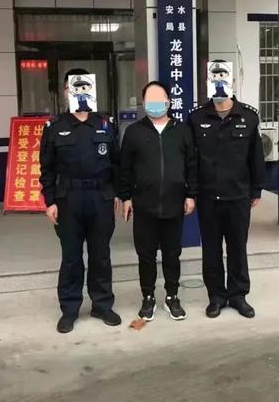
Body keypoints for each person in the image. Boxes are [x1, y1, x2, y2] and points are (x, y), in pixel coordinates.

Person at [39, 68, 121, 333]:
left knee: (101, 255)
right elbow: (47, 169)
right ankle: (69, 309)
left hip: (100, 198)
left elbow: (117, 164)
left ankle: (102, 305)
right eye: (74, 87)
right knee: (72, 257)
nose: (80, 91)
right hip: (68, 200)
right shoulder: (55, 127)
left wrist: (117, 194)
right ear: (66, 91)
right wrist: (50, 201)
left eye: (86, 86)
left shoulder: (105, 124)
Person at [188, 63, 265, 319]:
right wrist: (192, 192)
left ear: (232, 83)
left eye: (223, 77)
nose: (219, 82)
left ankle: (238, 295)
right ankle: (216, 296)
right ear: (207, 82)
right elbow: (192, 160)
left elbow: (256, 156)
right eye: (214, 78)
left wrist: (256, 189)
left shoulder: (249, 117)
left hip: (238, 196)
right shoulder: (197, 118)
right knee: (211, 249)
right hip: (208, 197)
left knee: (237, 248)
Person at [119, 81, 198, 321]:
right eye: (150, 100)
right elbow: (124, 168)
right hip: (144, 205)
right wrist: (125, 197)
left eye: (159, 98)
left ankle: (172, 296)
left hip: (174, 204)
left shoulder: (182, 130)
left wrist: (191, 194)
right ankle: (148, 297)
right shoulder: (134, 132)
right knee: (146, 255)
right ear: (143, 103)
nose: (155, 104)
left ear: (168, 102)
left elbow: (192, 165)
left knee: (172, 254)